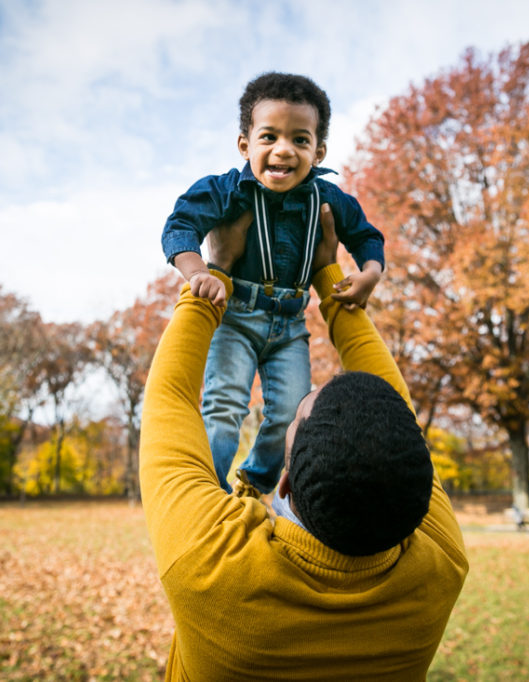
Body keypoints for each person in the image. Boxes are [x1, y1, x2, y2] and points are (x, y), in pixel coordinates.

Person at [140, 205, 468, 680]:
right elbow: (395, 412)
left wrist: (218, 272)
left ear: (287, 481)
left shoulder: (210, 563)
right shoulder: (439, 567)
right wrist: (326, 273)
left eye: (296, 416)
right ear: (421, 479)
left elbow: (168, 397)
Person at [161, 71, 385, 496]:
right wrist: (198, 273)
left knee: (290, 412)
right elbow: (180, 224)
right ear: (245, 145)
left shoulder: (329, 198)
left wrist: (369, 273)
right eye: (269, 137)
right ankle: (207, 493)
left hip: (290, 327)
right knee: (225, 406)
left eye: (300, 140)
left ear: (318, 151)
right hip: (236, 318)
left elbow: (367, 236)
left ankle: (254, 482)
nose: (284, 150)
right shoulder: (228, 191)